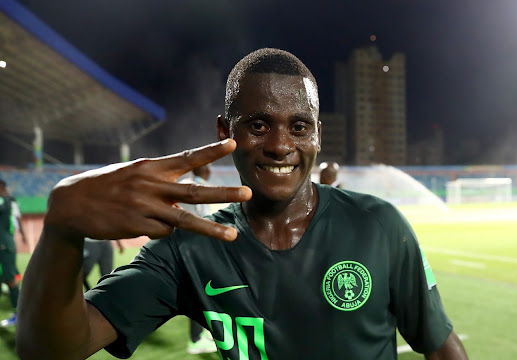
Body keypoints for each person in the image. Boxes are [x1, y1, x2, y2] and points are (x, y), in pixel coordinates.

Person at [17, 48, 468, 359]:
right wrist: (61, 232)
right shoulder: (190, 249)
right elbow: (51, 350)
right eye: (257, 125)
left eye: (298, 126)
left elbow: (440, 345)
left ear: (317, 135)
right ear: (224, 131)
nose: (280, 145)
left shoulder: (379, 226)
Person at [178, 165, 219, 355]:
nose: (210, 171)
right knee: (199, 292)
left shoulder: (190, 184)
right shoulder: (196, 186)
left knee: (203, 292)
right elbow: (203, 217)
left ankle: (202, 333)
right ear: (204, 171)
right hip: (195, 246)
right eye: (208, 168)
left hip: (190, 245)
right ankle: (194, 342)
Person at [0, 179, 27, 327]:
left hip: (4, 245)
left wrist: (22, 234)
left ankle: (19, 313)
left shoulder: (5, 201)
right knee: (5, 278)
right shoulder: (8, 201)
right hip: (5, 244)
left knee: (10, 279)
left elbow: (16, 219)